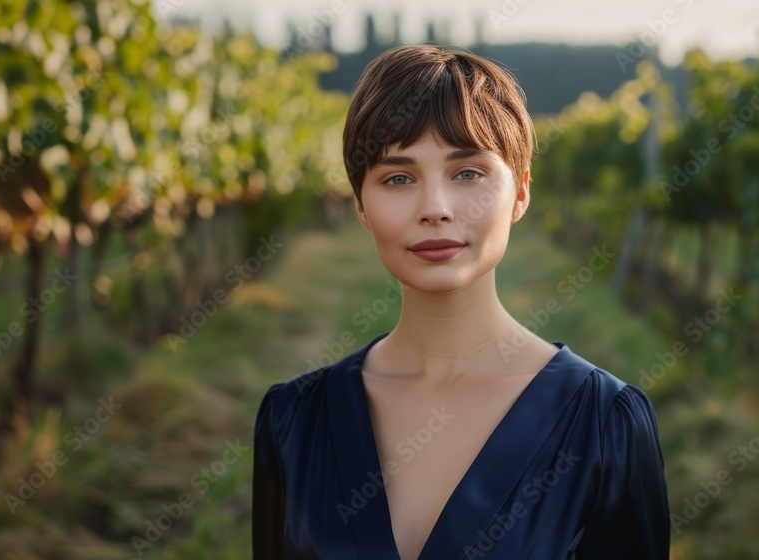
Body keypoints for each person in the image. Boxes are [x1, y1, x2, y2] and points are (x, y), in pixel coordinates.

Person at [252, 44, 670, 560]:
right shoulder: (294, 421)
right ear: (360, 204)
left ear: (520, 192)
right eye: (398, 178)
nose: (435, 209)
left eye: (467, 173)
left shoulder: (606, 424)